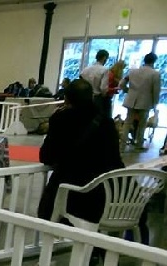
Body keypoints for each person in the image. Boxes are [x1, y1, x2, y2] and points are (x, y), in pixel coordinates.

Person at [37, 78, 124, 223]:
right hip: (102, 196)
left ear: (66, 99)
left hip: (69, 194)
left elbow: (46, 156)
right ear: (92, 97)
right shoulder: (106, 122)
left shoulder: (60, 119)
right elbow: (114, 158)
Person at [120, 53, 161, 150]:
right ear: (154, 61)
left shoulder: (133, 71)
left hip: (131, 100)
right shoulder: (155, 74)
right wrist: (155, 103)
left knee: (127, 123)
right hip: (145, 102)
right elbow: (156, 90)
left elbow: (122, 83)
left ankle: (122, 145)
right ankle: (139, 144)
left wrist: (126, 90)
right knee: (142, 124)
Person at [79, 49, 110, 115]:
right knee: (96, 117)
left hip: (84, 97)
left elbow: (80, 80)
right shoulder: (105, 70)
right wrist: (104, 94)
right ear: (104, 58)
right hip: (97, 98)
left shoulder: (86, 69)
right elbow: (103, 88)